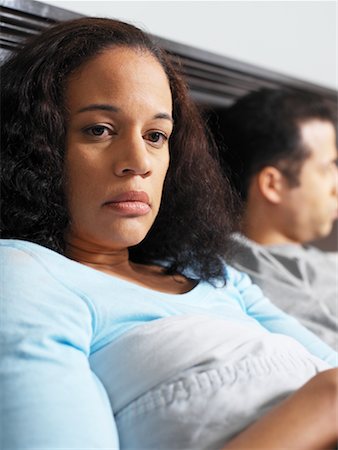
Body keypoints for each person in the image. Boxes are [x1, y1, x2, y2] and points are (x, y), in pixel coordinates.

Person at [1, 18, 337, 450]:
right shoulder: (26, 276)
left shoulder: (215, 276)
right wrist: (320, 406)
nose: (138, 161)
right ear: (37, 145)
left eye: (156, 135)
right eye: (99, 129)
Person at [215, 88, 338, 349]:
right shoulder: (252, 275)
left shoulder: (321, 263)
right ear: (273, 184)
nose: (336, 187)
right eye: (328, 168)